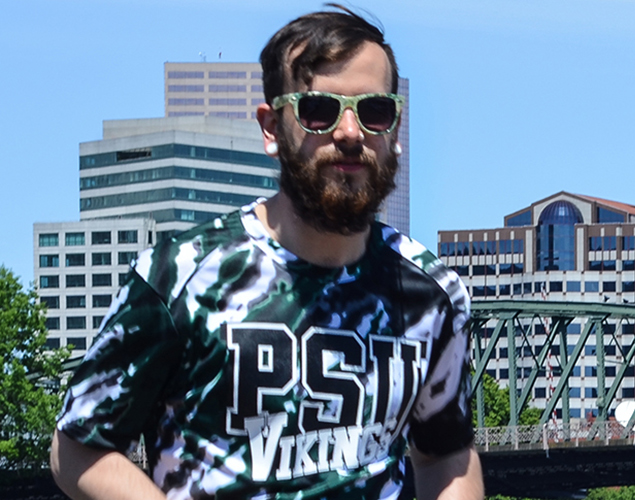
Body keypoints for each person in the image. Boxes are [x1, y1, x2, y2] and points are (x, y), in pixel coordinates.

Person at [49, 6, 482, 500]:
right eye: (318, 110)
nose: (349, 133)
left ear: (395, 132)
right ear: (272, 127)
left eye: (373, 111)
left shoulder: (432, 293)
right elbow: (76, 448)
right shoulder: (180, 275)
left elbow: (445, 453)